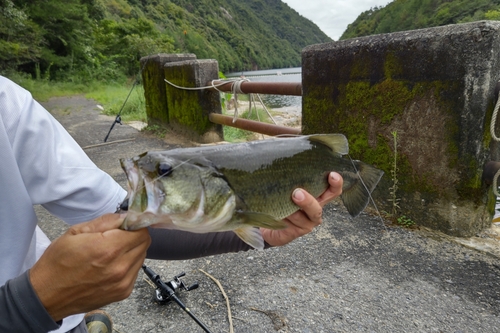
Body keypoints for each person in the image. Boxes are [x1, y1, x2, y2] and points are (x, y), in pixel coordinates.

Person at [0, 75, 343, 333]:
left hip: (61, 319)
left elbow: (118, 212)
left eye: (163, 172)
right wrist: (28, 305)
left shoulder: (8, 103)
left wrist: (262, 232)